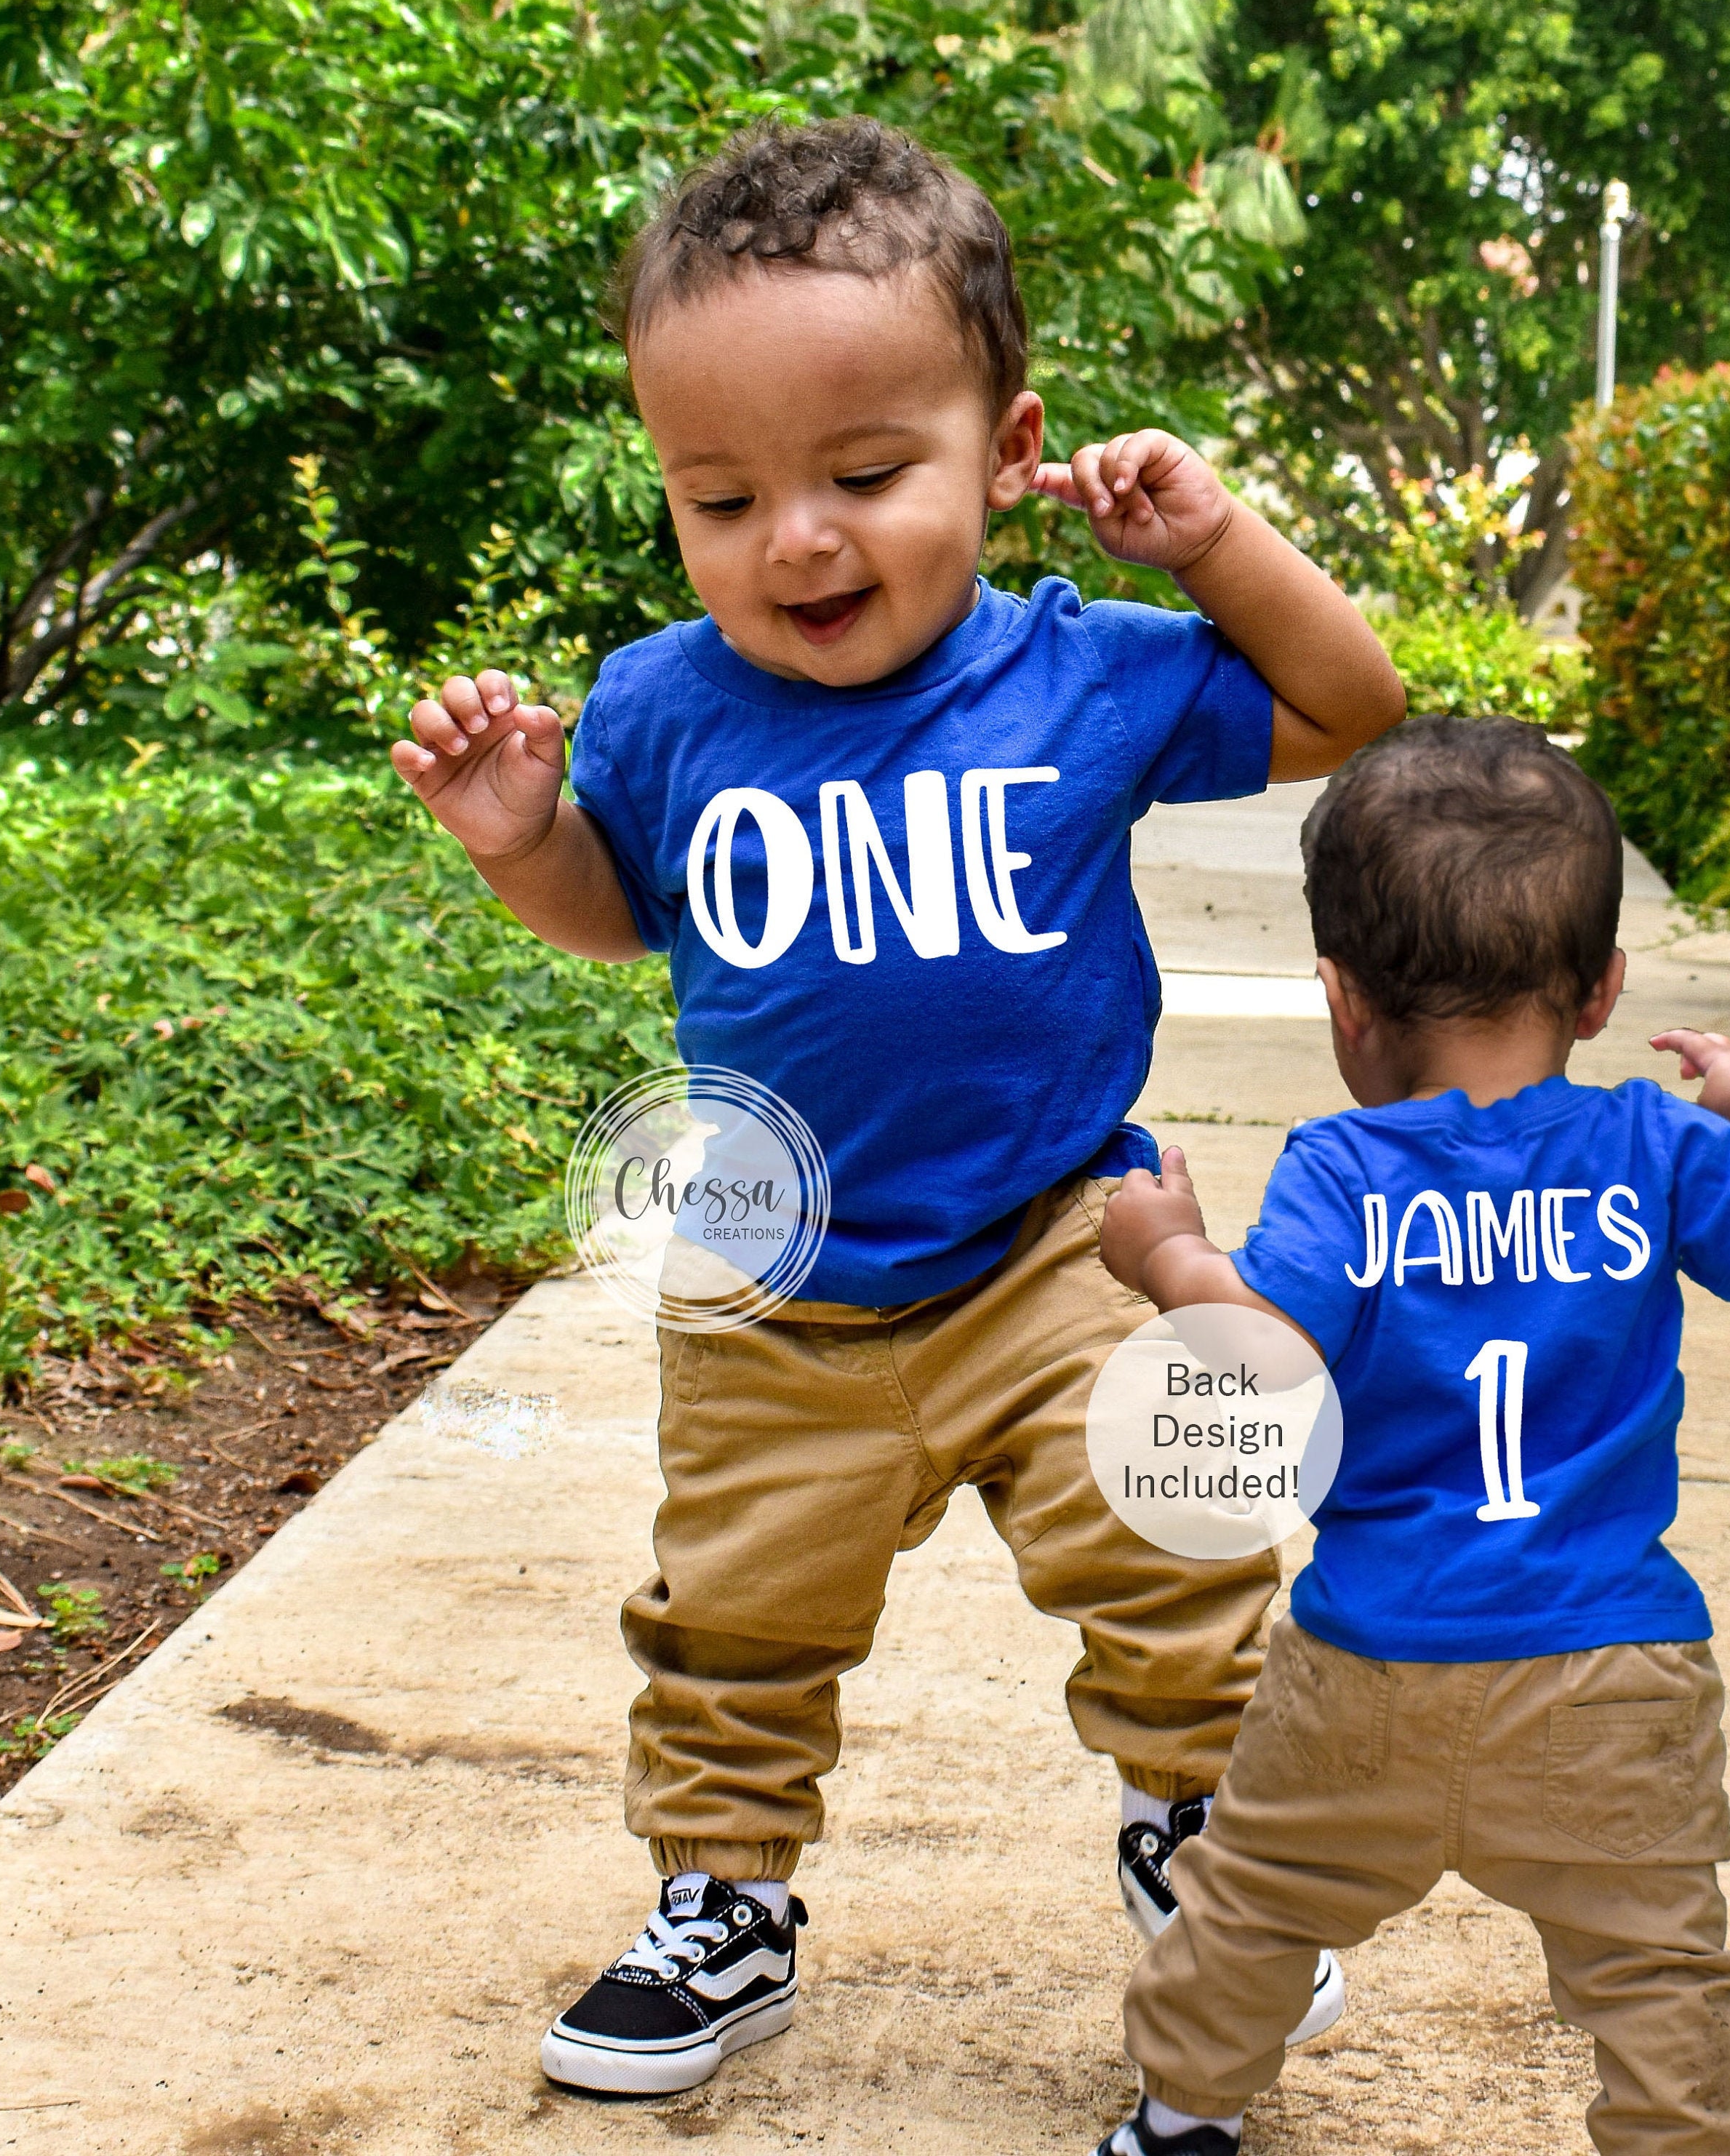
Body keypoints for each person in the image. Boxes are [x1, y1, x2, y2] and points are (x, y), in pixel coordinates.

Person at [390, 115, 1405, 2096]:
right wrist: (526, 845)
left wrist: (1217, 546)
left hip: (1059, 1239)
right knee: (734, 1617)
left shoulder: (1084, 675)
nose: (797, 540)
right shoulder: (662, 705)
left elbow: (1348, 702)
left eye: (866, 475)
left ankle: (1213, 1848)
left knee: (1185, 1548)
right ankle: (726, 1900)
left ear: (1009, 453)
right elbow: (631, 917)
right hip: (778, 1280)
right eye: (722, 495)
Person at [1089, 714, 1730, 2156]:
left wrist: (1170, 1257)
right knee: (1660, 1975)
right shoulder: (1660, 1148)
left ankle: (1182, 2119)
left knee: (1250, 1903)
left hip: (1370, 1663)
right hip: (1612, 1674)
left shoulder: (1344, 1169)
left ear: (1344, 1002)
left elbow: (1259, 1355)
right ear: (1600, 996)